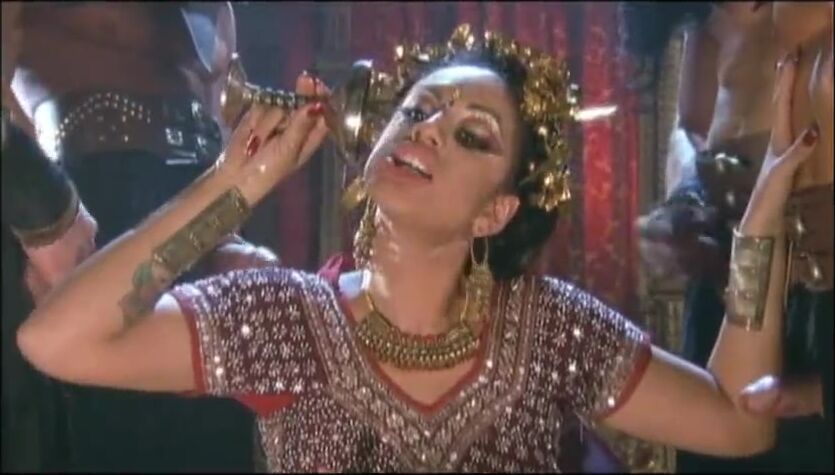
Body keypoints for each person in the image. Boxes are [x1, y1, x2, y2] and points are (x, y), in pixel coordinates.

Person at [16, 24, 819, 471]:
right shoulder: (286, 318)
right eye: (416, 111)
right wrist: (233, 183)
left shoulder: (548, 330)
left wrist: (763, 214)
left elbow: (738, 421)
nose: (427, 130)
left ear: (495, 211)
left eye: (471, 134)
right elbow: (58, 340)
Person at [4, 2, 278, 471]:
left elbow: (215, 129)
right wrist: (40, 213)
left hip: (193, 223)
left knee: (208, 435)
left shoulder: (216, 12)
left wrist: (227, 239)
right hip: (83, 214)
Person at [621, 2, 832, 471]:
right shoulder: (708, 20)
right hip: (726, 299)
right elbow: (690, 131)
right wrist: (685, 203)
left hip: (813, 312)